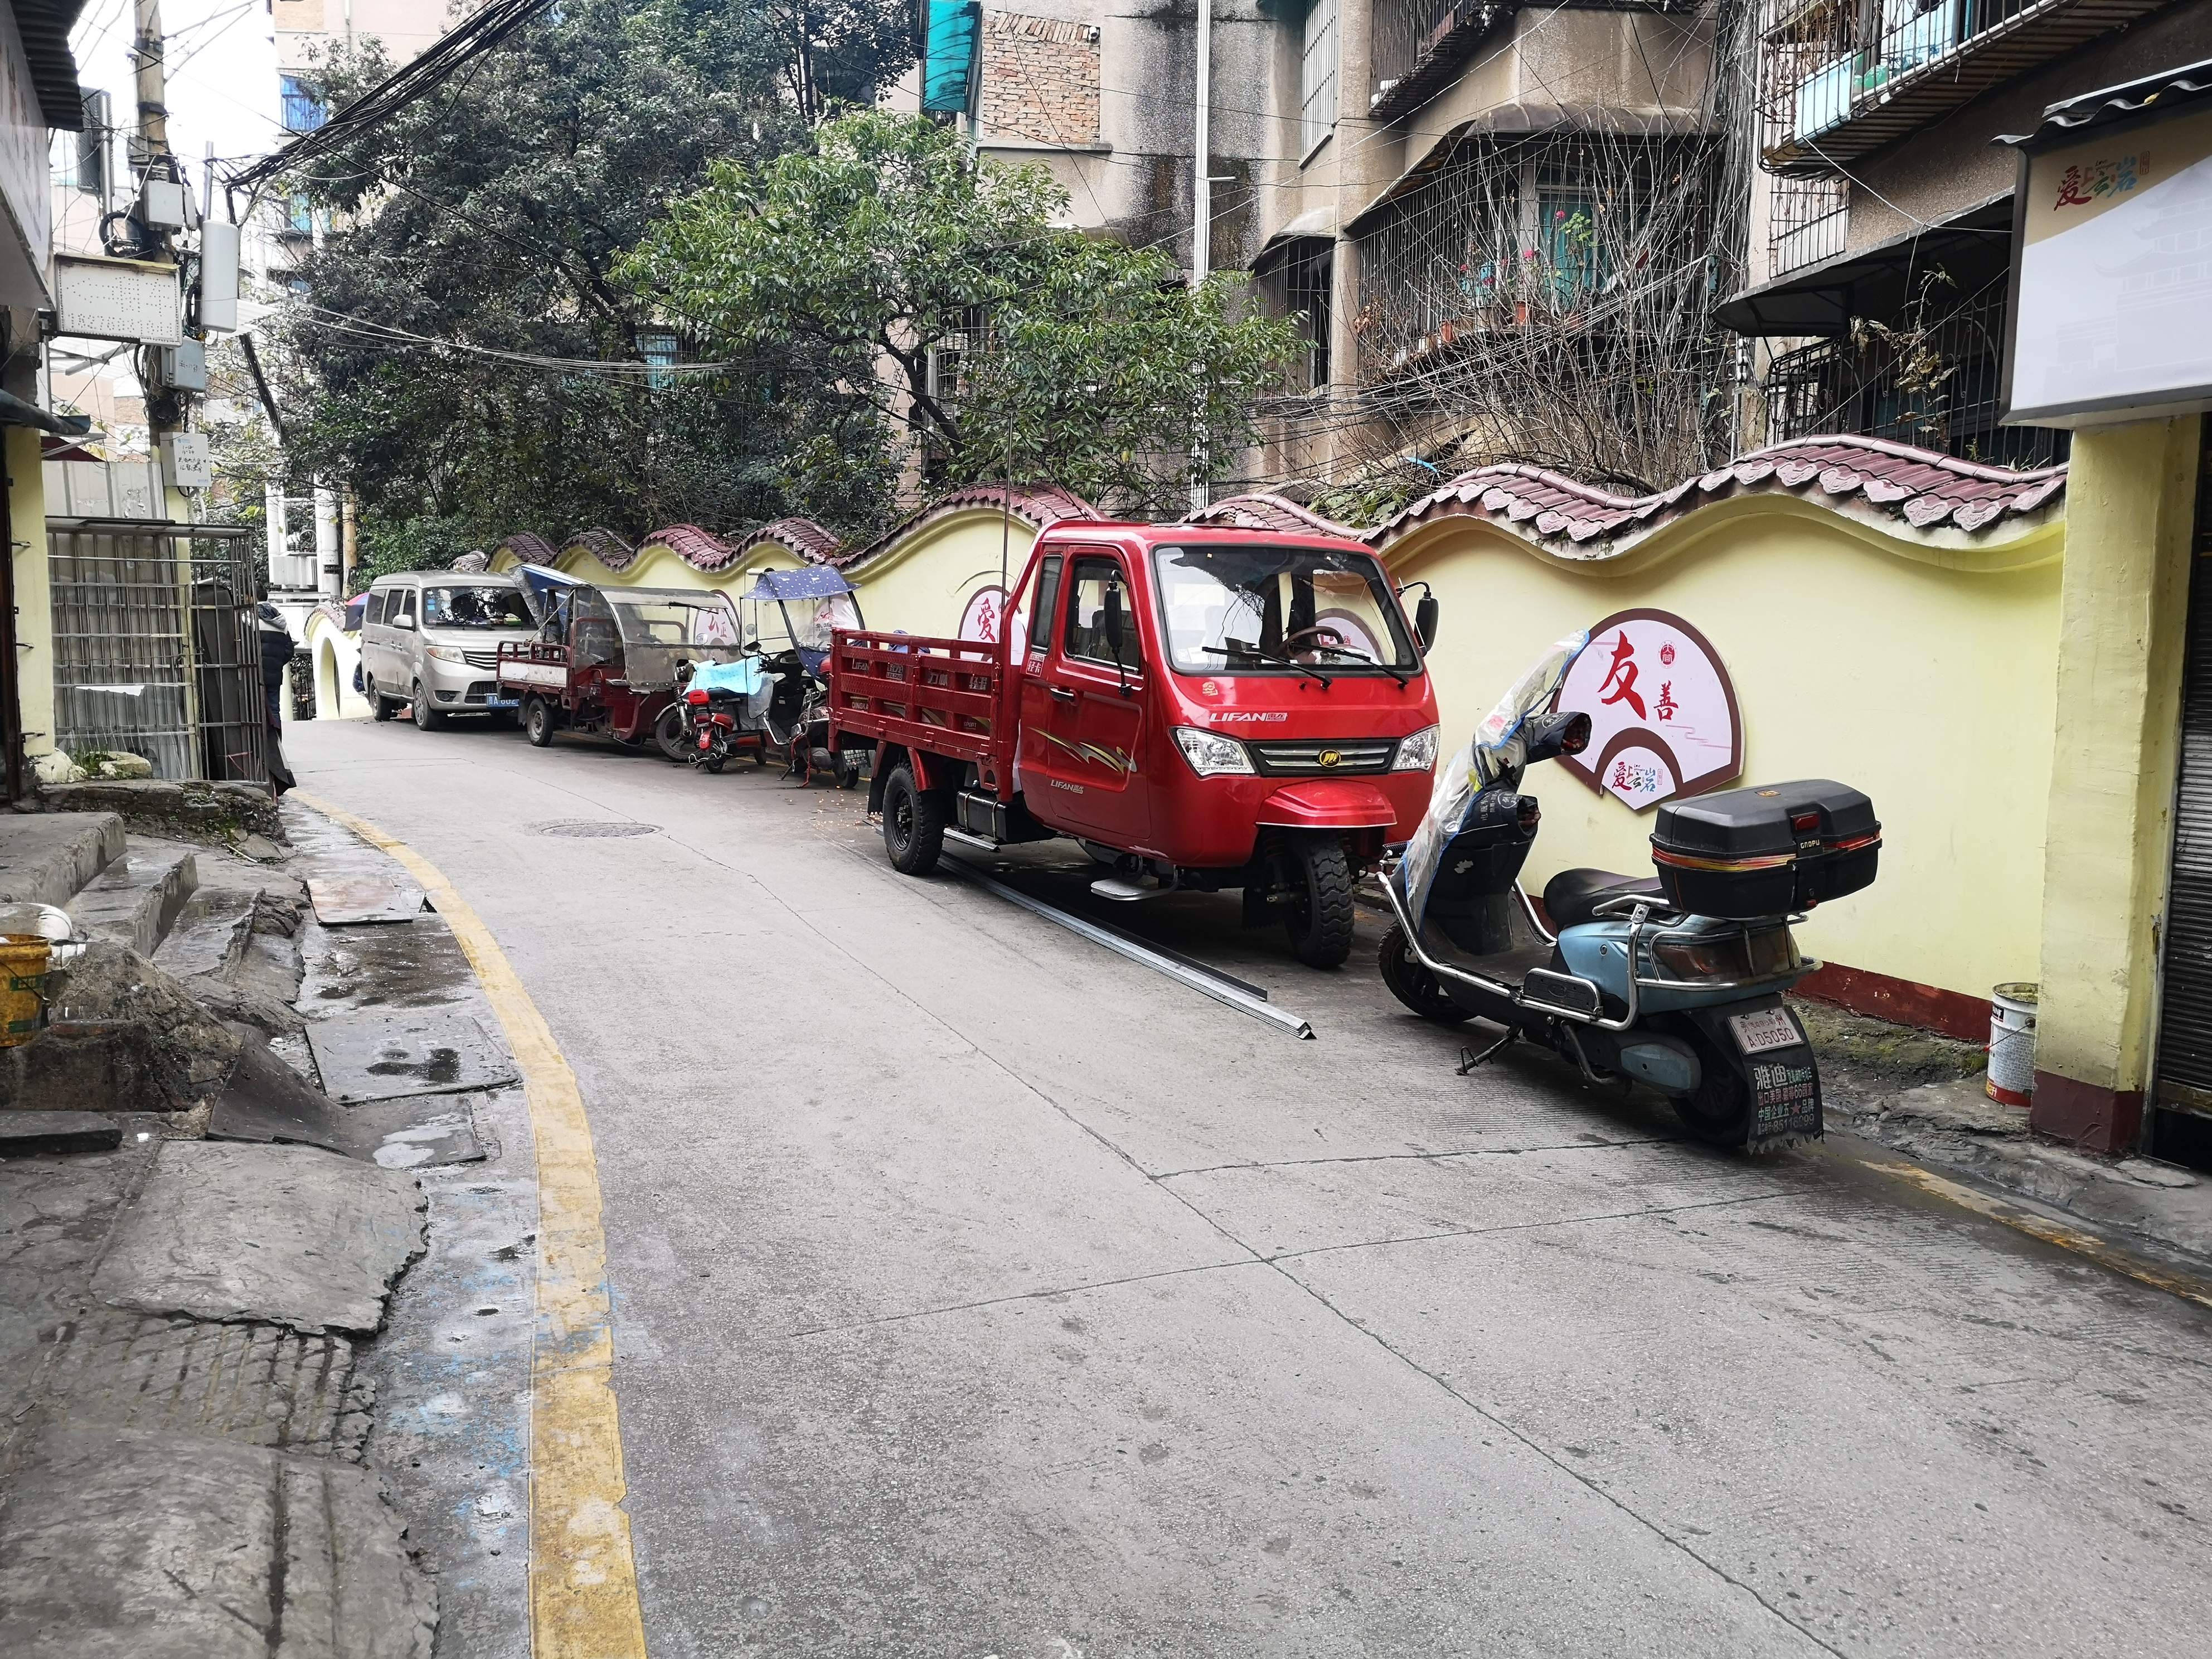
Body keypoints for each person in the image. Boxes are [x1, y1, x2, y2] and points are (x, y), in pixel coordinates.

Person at [256, 603, 299, 795]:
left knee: (256, 711)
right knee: (275, 710)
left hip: (256, 676)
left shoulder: (252, 620)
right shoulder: (281, 623)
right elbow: (289, 651)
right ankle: (278, 746)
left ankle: (261, 748)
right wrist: (276, 664)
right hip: (275, 675)